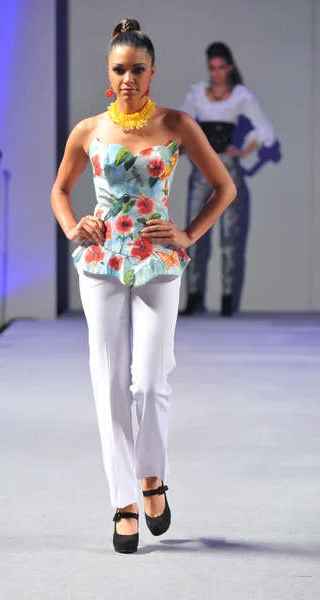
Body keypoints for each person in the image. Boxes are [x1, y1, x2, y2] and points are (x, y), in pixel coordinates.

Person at [50, 19, 236, 554]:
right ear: (108, 74)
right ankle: (123, 502)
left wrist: (188, 234)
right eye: (118, 70)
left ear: (152, 71)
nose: (127, 78)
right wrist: (72, 227)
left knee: (151, 382)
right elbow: (61, 189)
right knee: (109, 384)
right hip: (100, 262)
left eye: (137, 69)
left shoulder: (178, 123)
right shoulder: (88, 130)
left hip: (159, 260)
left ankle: (152, 478)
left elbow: (223, 187)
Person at [180, 42, 275, 316]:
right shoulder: (197, 93)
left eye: (221, 67)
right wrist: (186, 147)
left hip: (229, 169)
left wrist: (244, 151)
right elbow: (180, 124)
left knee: (229, 236)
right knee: (192, 234)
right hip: (201, 169)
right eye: (212, 67)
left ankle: (226, 299)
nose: (216, 73)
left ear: (229, 67)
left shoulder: (240, 96)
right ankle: (194, 296)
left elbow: (265, 130)